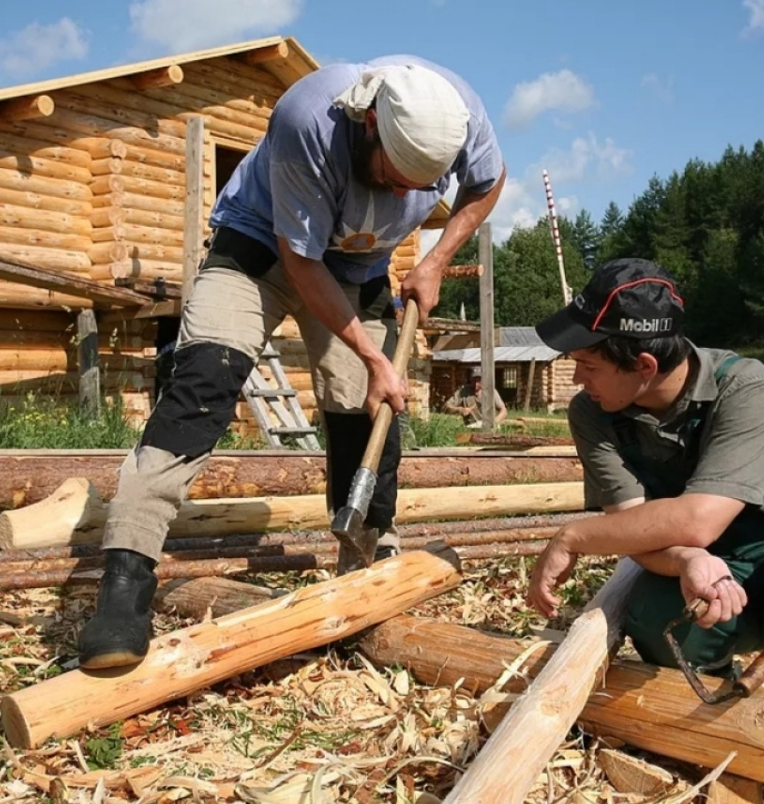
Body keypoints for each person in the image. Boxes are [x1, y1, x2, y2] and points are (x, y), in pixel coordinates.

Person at [78, 56, 505, 670]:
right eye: (395, 176)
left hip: (356, 267)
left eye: (421, 185)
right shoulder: (309, 118)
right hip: (259, 249)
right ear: (370, 126)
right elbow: (301, 263)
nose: (404, 195)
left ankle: (368, 556)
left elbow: (489, 182)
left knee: (365, 407)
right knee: (201, 385)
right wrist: (372, 354)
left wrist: (436, 260)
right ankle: (126, 577)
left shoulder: (462, 116)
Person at [527, 258, 764, 804]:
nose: (578, 378)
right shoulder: (594, 412)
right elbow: (632, 525)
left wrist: (572, 537)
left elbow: (700, 517)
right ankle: (735, 744)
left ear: (644, 365)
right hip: (706, 558)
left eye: (588, 364)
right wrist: (684, 560)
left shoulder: (745, 386)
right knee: (656, 615)